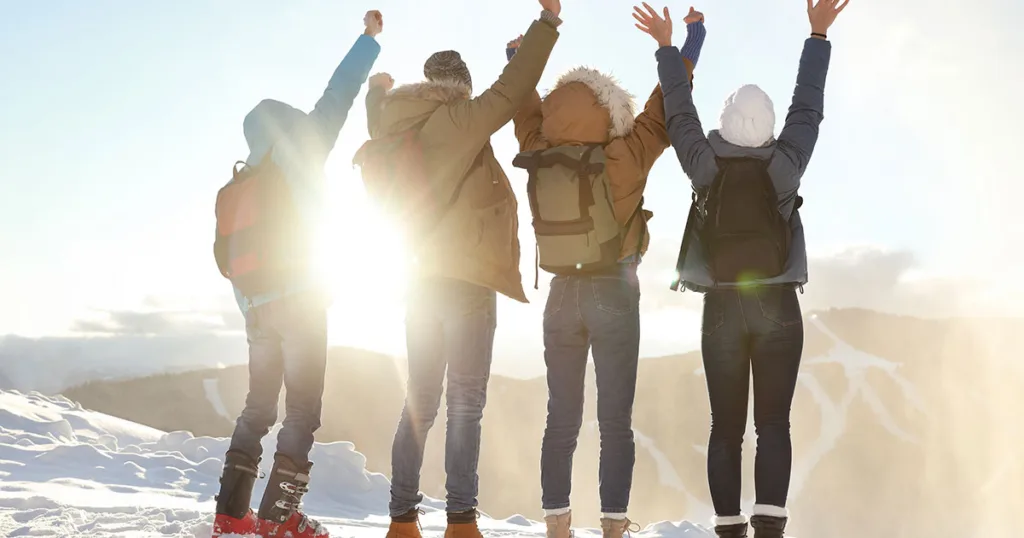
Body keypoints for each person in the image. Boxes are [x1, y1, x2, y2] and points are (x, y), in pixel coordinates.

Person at [360, 3, 564, 538]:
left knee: (418, 403)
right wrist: (547, 24)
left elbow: (377, 114)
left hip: (418, 280)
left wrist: (374, 91)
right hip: (467, 282)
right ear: (459, 88)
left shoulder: (393, 122)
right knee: (465, 404)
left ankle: (402, 521)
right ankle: (460, 522)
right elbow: (511, 90)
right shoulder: (458, 118)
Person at [506, 4, 702, 537]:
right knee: (615, 421)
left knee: (560, 419)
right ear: (609, 109)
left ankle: (556, 525)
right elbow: (666, 109)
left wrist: (518, 58)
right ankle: (614, 527)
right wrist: (688, 41)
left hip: (561, 293)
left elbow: (525, 108)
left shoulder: (539, 149)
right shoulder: (624, 156)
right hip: (615, 288)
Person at [654, 0, 847, 536]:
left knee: (725, 428)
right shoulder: (785, 166)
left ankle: (729, 529)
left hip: (720, 307)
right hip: (778, 305)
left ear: (723, 124)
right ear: (767, 128)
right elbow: (807, 109)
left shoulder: (705, 165)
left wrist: (669, 48)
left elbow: (678, 114)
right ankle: (769, 531)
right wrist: (817, 35)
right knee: (773, 426)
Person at [210, 10, 384, 538]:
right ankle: (278, 521)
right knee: (302, 411)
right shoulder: (303, 147)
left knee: (257, 406)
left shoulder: (243, 179)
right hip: (302, 300)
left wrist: (252, 308)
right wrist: (369, 42)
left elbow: (229, 255)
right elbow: (339, 91)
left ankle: (230, 515)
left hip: (256, 306)